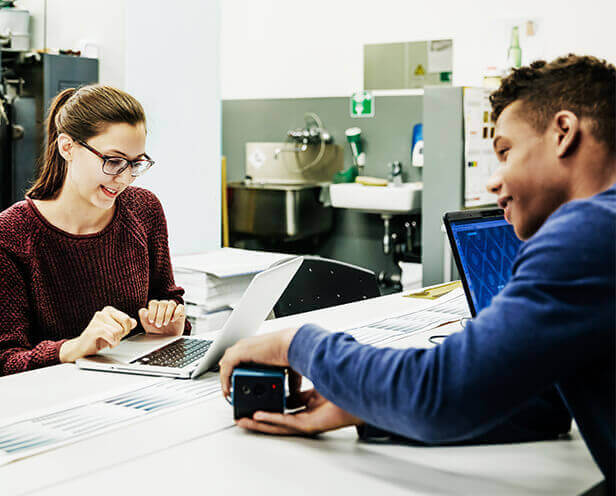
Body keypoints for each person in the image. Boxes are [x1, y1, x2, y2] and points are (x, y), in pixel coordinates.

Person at [219, 54, 615, 487]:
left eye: (505, 151)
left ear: (563, 132)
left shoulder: (589, 231)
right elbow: (545, 406)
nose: (494, 180)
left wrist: (298, 343)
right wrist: (365, 408)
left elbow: (440, 392)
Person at [0, 85, 187, 379]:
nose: (125, 178)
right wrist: (74, 348)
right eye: (113, 161)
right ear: (67, 147)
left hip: (137, 389)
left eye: (136, 164)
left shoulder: (144, 210)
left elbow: (167, 298)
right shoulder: (9, 233)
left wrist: (171, 324)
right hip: (50, 402)